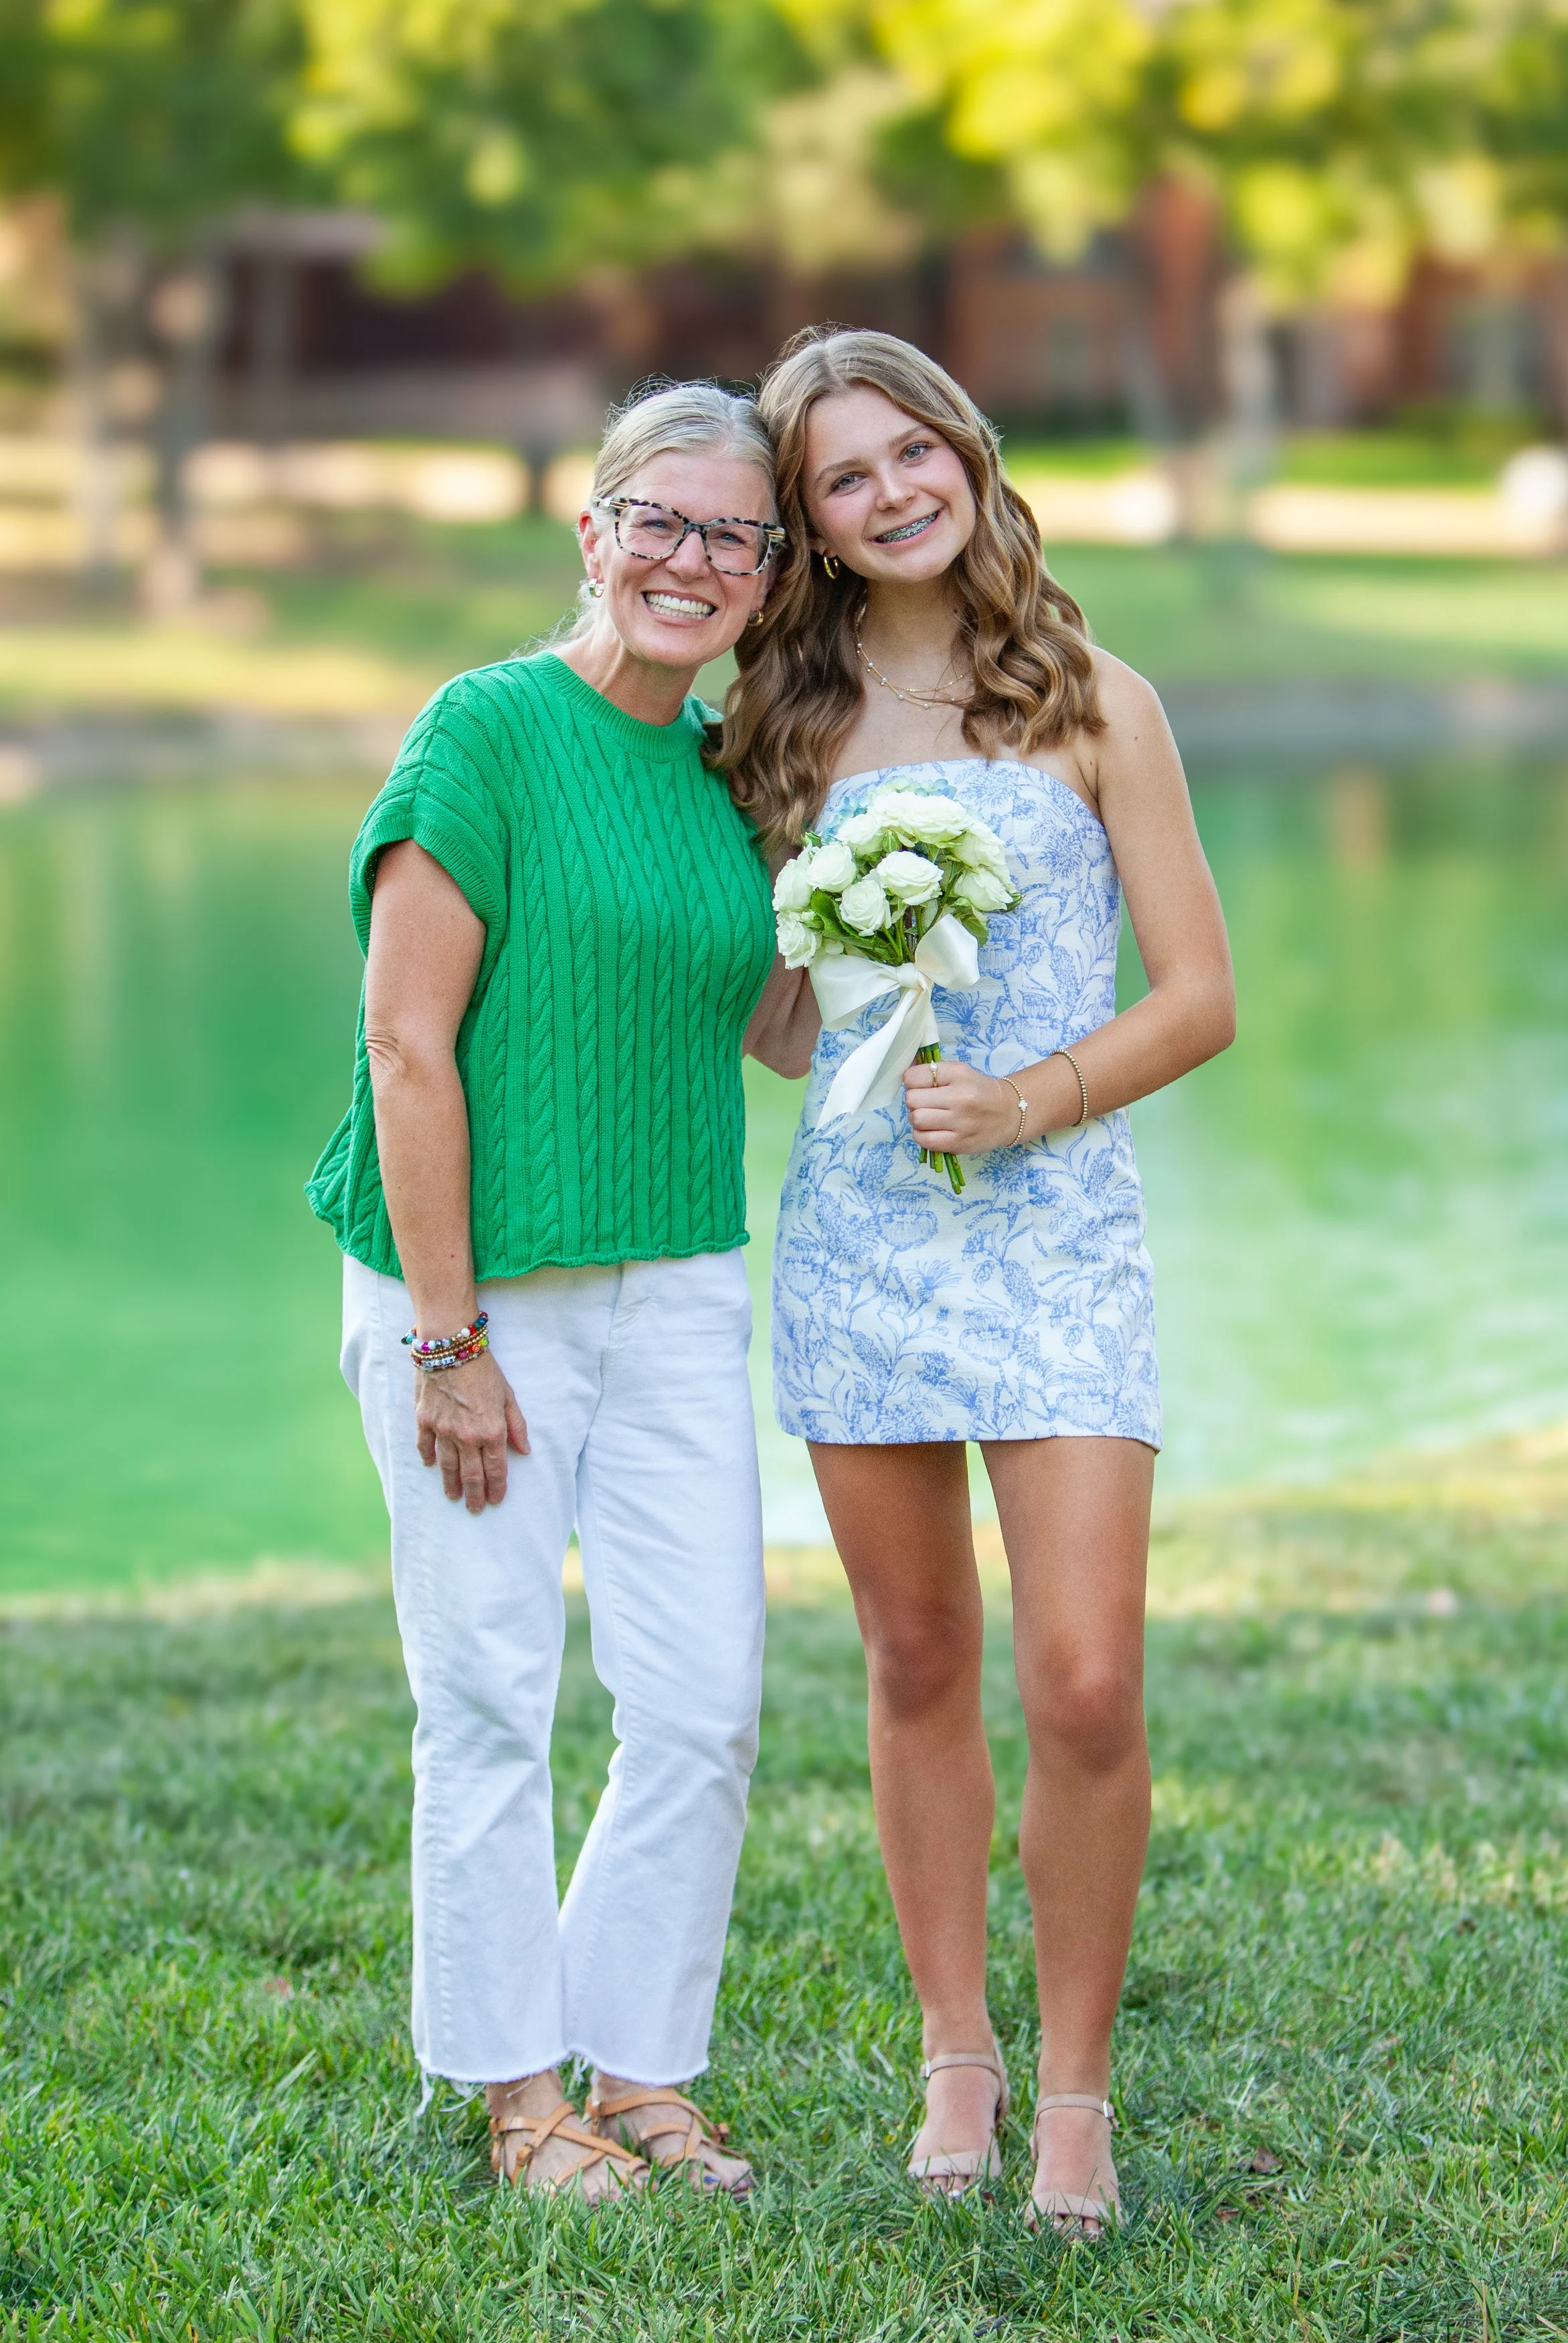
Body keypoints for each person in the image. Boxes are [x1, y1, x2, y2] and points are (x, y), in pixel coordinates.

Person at [725, 328, 1237, 2235]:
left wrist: (1026, 1094)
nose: (890, 492)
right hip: (861, 1232)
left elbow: (1200, 997)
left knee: (1087, 1680)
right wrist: (825, 944)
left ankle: (1079, 2094)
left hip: (1058, 1235)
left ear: (964, 445)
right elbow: (780, 1037)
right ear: (812, 524)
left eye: (908, 449)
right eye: (842, 478)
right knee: (916, 1657)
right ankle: (960, 2057)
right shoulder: (774, 729)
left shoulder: (1097, 697)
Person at [307, 381, 814, 2204]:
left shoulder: (727, 771)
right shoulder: (487, 732)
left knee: (699, 1700)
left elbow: (765, 1031)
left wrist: (876, 923)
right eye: (658, 522)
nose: (691, 561)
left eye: (732, 537)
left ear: (767, 574)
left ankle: (645, 2070)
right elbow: (403, 1038)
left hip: (677, 1279)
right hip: (475, 1296)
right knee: (494, 1693)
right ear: (591, 531)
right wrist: (446, 1338)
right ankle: (523, 2097)